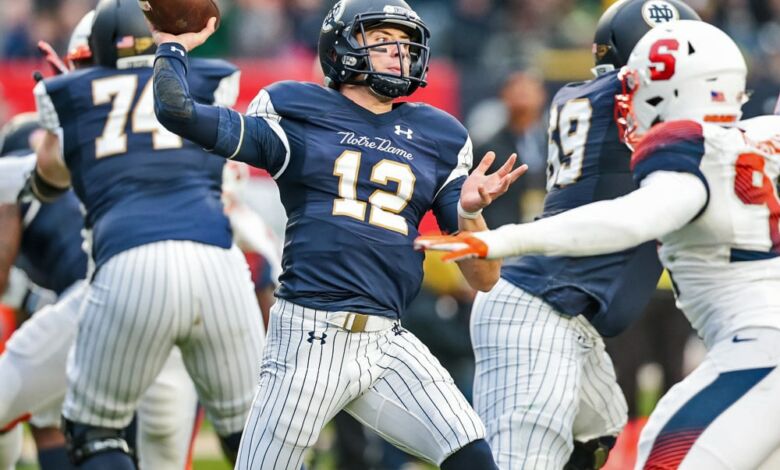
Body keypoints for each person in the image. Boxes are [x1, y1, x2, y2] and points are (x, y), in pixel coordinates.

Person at [150, 0, 525, 468]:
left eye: (407, 43)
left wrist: (469, 212)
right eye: (382, 38)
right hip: (310, 336)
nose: (399, 53)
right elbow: (177, 111)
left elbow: (484, 277)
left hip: (388, 342)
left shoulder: (438, 135)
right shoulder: (298, 109)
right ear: (342, 43)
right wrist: (171, 48)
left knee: (474, 457)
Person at [416, 19, 780, 470]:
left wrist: (504, 240)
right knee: (564, 448)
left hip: (748, 344)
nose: (627, 97)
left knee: (619, 444)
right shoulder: (755, 136)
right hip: (547, 307)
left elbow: (625, 219)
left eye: (640, 83)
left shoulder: (692, 152)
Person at [30, 1, 266, 468]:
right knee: (256, 436)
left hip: (130, 261)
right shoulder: (211, 78)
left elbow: (48, 178)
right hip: (218, 262)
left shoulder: (70, 93)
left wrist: (72, 128)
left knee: (94, 430)